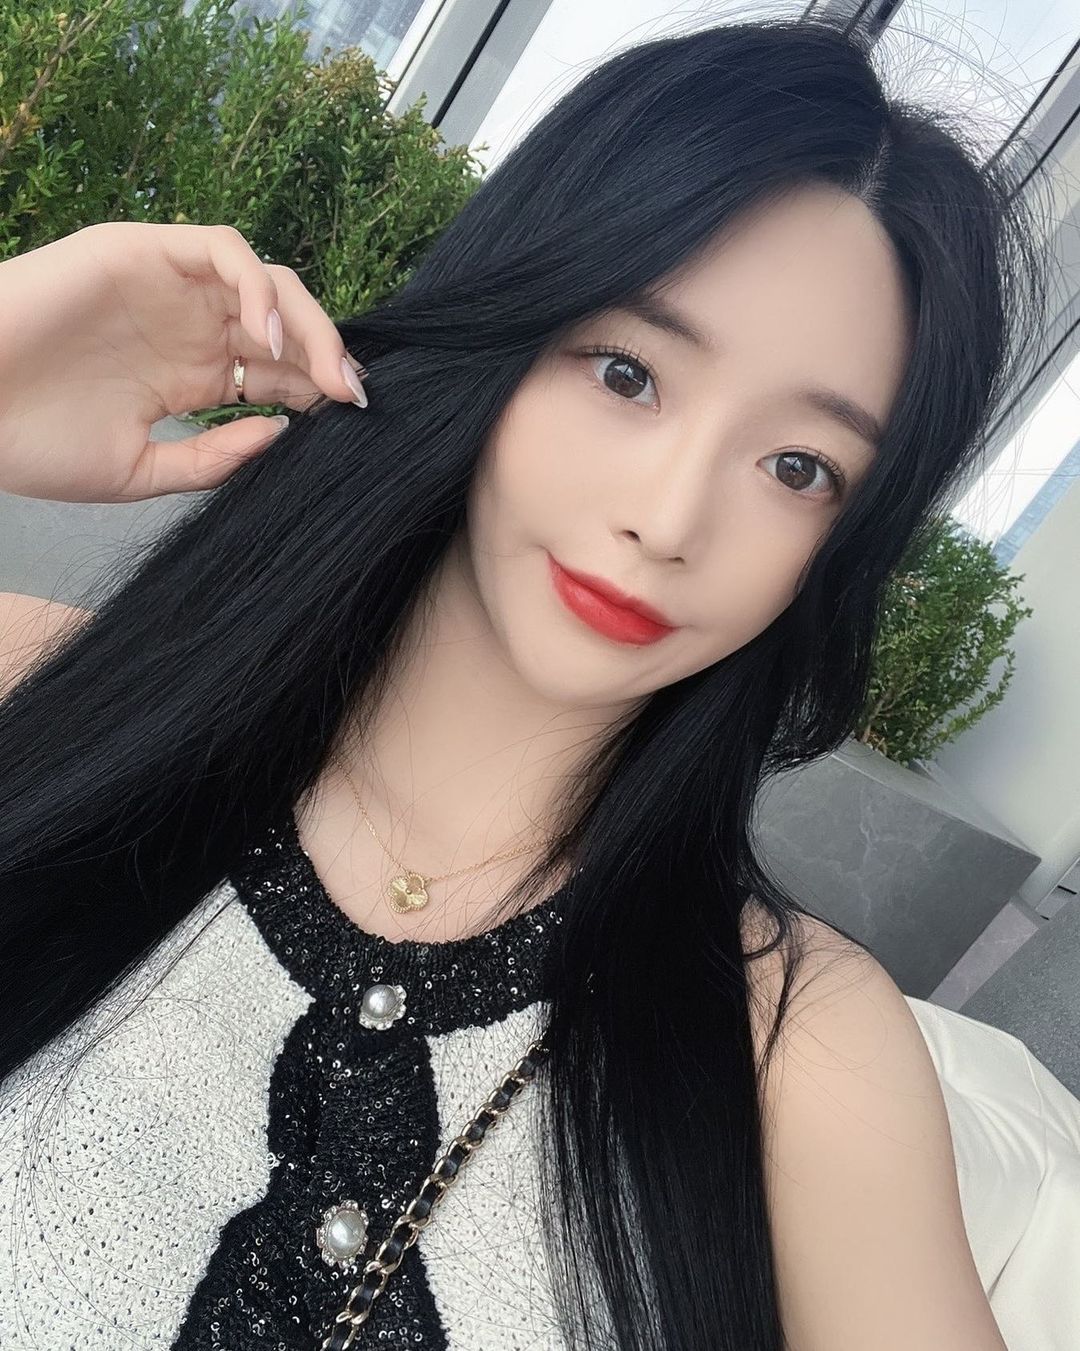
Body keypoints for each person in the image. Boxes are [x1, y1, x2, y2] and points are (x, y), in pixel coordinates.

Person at [0, 12, 1078, 1351]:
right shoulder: (42, 693)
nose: (669, 519)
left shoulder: (804, 1046)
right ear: (504, 331)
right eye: (628, 373)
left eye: (798, 468)